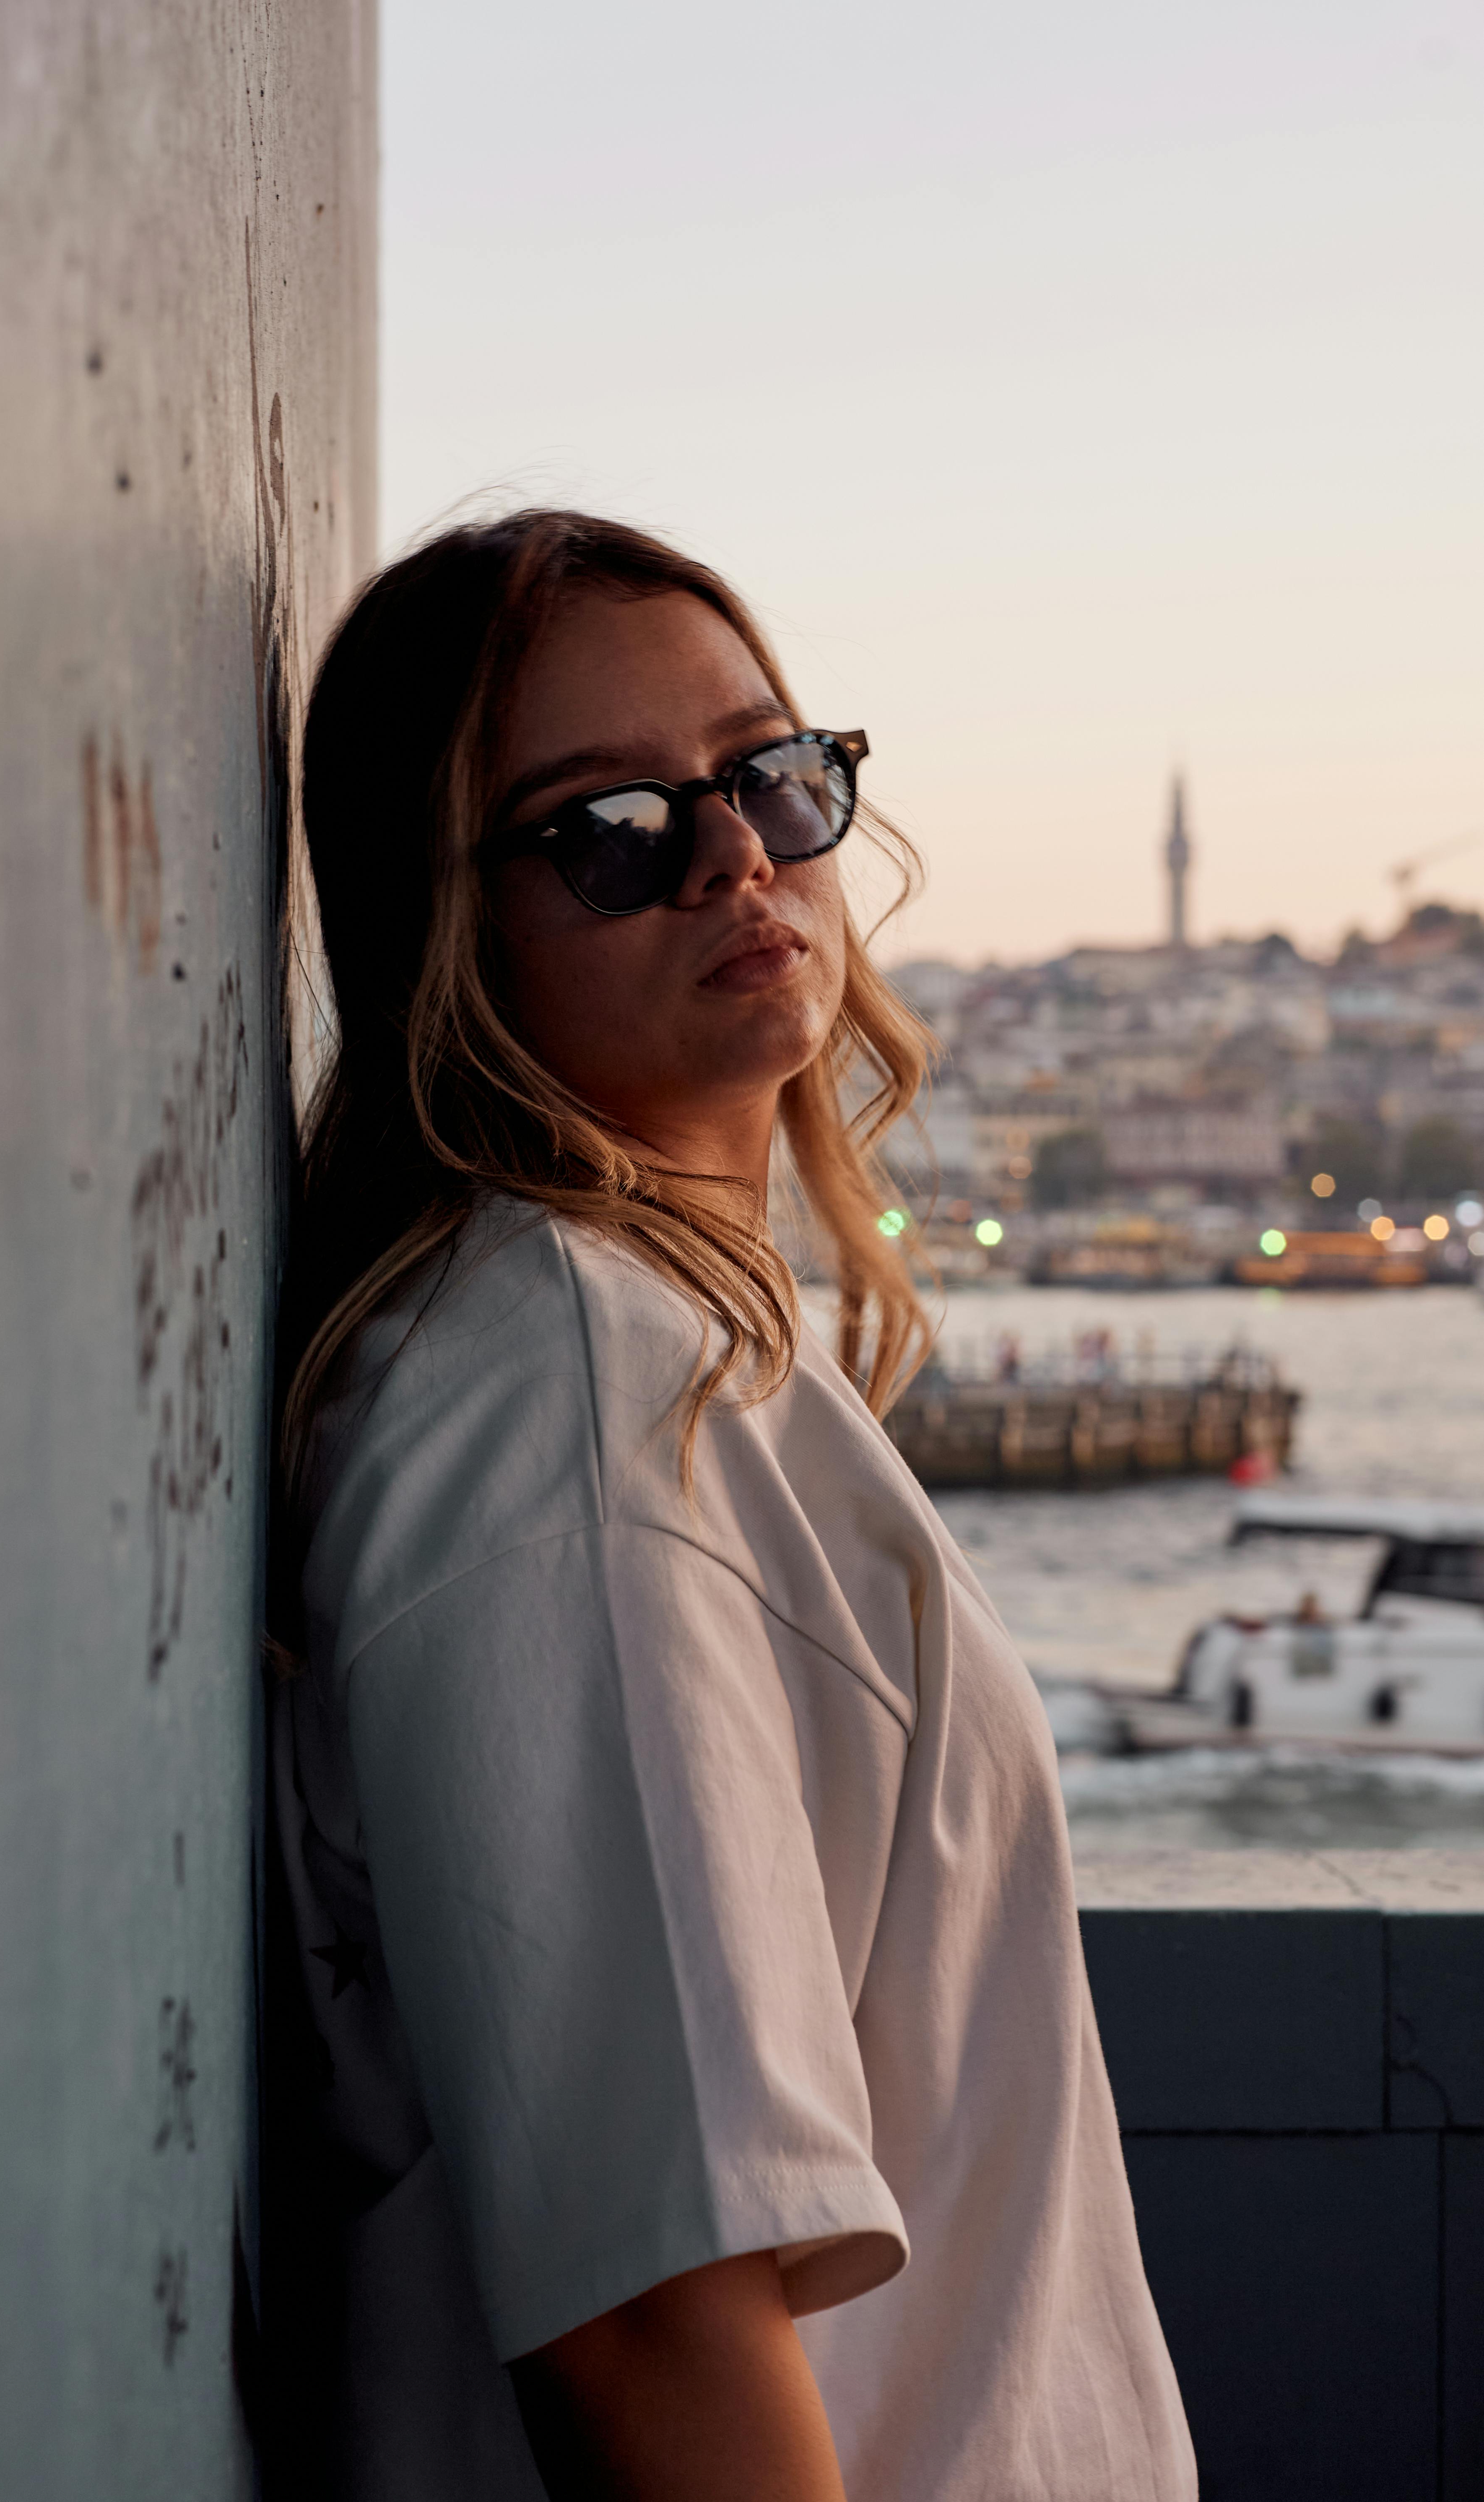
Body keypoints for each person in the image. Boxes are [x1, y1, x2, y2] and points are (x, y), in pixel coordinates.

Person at [262, 509, 1195, 2502]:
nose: (734, 857)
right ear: (449, 923)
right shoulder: (572, 1406)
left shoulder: (665, 1358)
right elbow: (650, 2306)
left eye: (771, 775)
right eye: (605, 822)